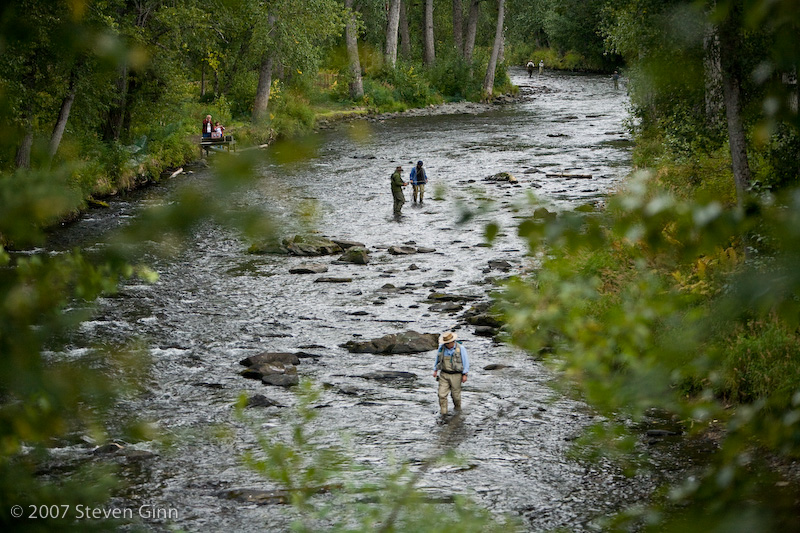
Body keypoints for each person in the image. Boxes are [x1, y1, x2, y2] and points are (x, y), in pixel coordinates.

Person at [432, 331, 469, 415]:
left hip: (456, 375)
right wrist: (435, 370)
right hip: (444, 374)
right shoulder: (441, 348)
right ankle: (443, 413)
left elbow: (465, 362)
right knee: (441, 395)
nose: (446, 344)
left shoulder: (461, 348)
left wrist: (465, 374)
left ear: (452, 341)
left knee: (456, 396)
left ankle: (458, 411)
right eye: (445, 343)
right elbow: (437, 359)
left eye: (448, 343)